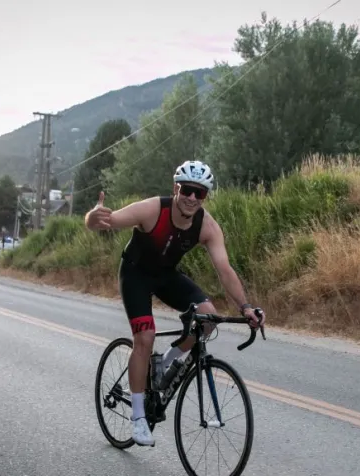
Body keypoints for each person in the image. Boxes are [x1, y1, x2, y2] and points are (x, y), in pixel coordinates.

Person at [84, 160, 265, 448]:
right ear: (176, 188)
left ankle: (166, 360)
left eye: (200, 193)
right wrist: (93, 218)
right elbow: (108, 221)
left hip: (166, 276)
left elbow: (224, 269)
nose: (192, 198)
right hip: (135, 275)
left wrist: (245, 307)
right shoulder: (153, 209)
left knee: (208, 319)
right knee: (144, 337)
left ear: (205, 196)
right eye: (187, 190)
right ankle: (139, 418)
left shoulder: (207, 226)